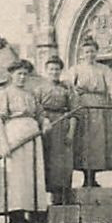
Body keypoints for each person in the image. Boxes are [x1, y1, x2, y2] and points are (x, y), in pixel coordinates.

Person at [0, 59, 45, 223]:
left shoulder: (31, 94)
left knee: (31, 174)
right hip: (14, 135)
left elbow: (40, 114)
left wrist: (45, 121)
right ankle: (16, 214)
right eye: (19, 74)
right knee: (16, 175)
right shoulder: (4, 94)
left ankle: (34, 209)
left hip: (32, 138)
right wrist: (4, 143)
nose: (22, 77)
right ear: (11, 75)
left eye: (25, 74)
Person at [67, 36, 112, 187]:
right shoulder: (75, 69)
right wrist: (74, 93)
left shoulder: (104, 69)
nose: (90, 55)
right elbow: (66, 86)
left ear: (96, 52)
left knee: (97, 142)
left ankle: (93, 176)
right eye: (87, 52)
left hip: (99, 109)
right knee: (83, 142)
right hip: (81, 107)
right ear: (82, 53)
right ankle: (85, 176)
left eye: (92, 52)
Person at [36, 57, 80, 205]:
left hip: (63, 124)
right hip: (47, 125)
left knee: (64, 161)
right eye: (51, 69)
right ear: (46, 71)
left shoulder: (66, 89)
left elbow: (74, 112)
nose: (54, 72)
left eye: (57, 69)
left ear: (61, 71)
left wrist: (71, 132)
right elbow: (36, 110)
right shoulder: (39, 88)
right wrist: (43, 121)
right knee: (47, 160)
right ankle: (48, 198)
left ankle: (63, 195)